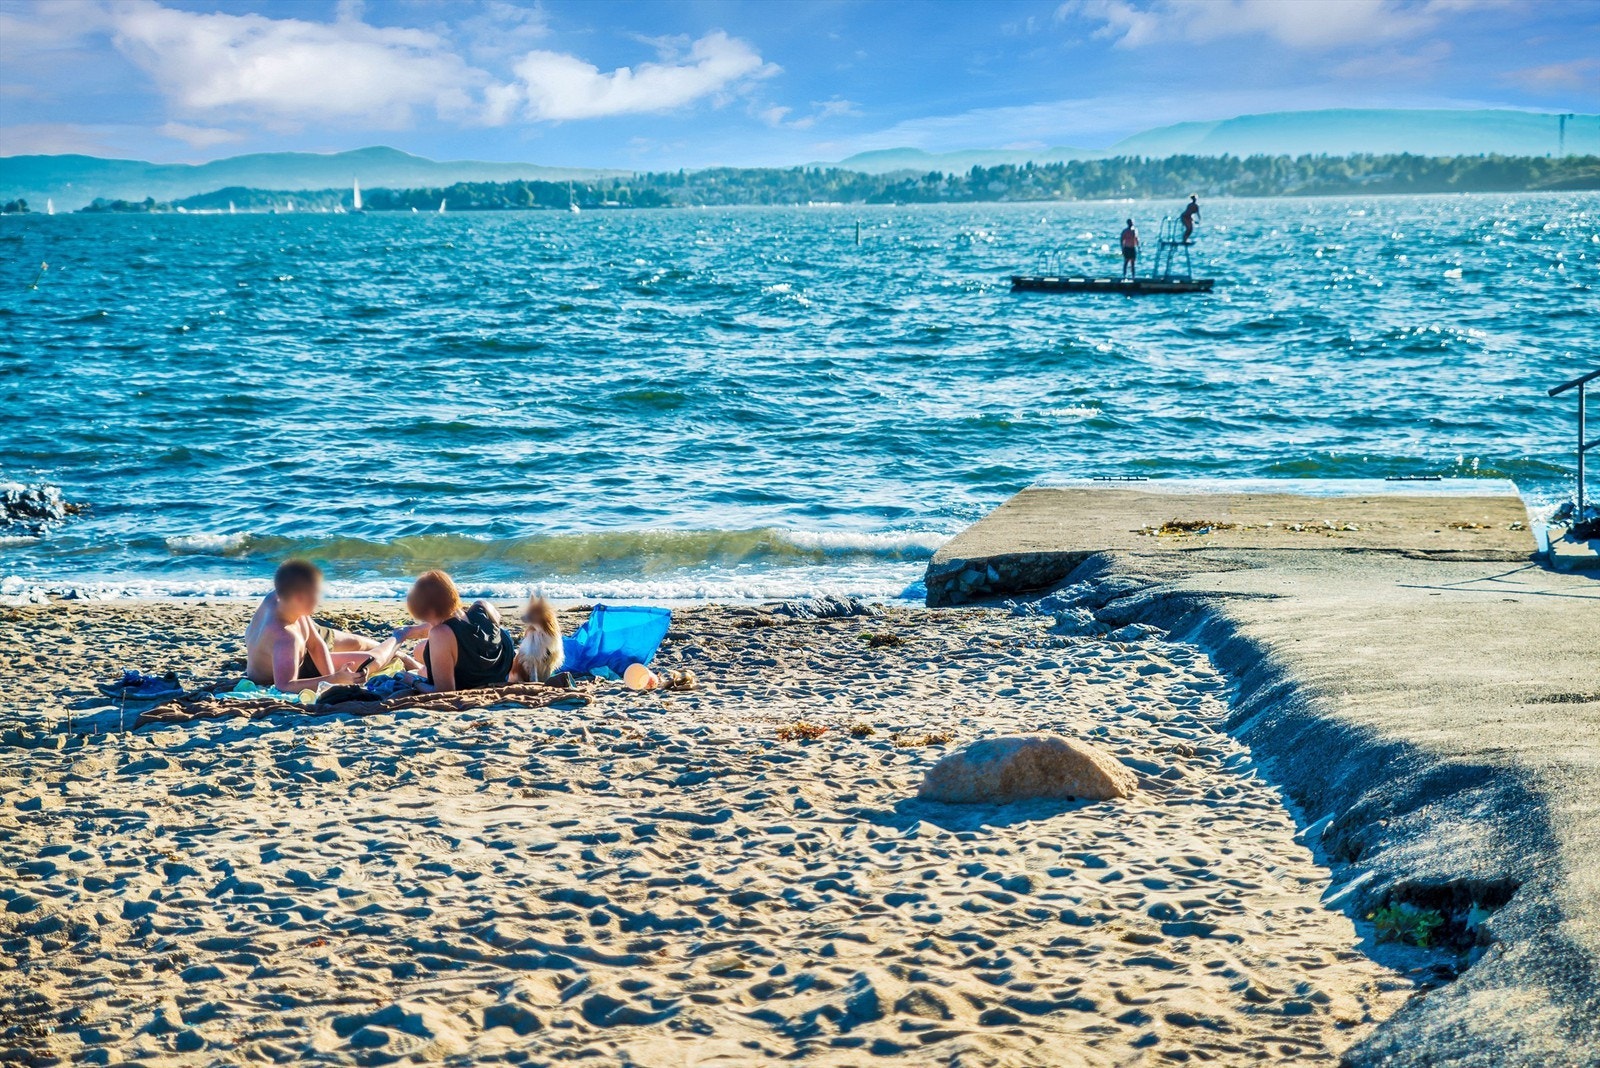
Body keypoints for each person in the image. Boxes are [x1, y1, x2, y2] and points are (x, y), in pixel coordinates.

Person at [245, 559, 377, 690]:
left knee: (356, 642)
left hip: (303, 631)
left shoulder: (278, 598)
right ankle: (396, 642)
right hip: (292, 656)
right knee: (371, 658)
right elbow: (284, 685)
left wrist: (332, 678)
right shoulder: (286, 637)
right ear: (299, 598)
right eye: (316, 594)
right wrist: (335, 679)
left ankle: (393, 646)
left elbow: (315, 645)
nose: (319, 600)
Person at [393, 569, 514, 692]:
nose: (429, 624)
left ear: (429, 611)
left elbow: (445, 691)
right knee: (421, 650)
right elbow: (460, 627)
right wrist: (408, 632)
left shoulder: (440, 633)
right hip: (499, 673)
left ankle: (417, 670)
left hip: (472, 684)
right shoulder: (483, 608)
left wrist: (414, 682)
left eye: (425, 618)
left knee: (421, 661)